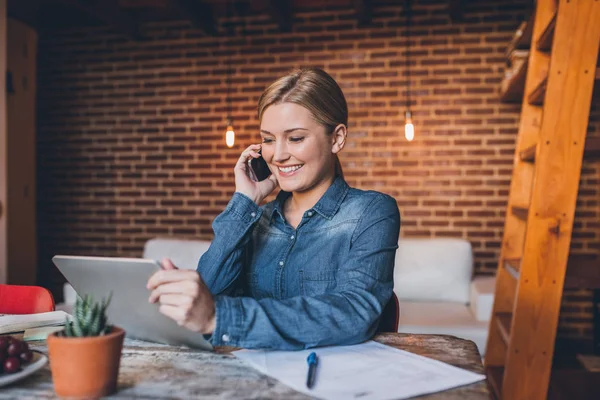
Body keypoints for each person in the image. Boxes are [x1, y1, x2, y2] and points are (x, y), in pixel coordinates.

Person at [146, 67, 401, 350]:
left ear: (336, 138)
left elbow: (354, 312)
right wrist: (245, 201)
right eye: (268, 139)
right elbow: (208, 298)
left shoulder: (371, 211)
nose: (277, 155)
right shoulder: (255, 219)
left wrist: (222, 318)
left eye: (295, 138)